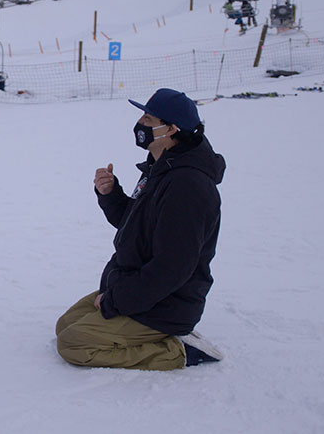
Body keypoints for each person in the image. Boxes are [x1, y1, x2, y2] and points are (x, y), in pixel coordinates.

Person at [55, 88, 226, 371]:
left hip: (164, 305)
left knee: (74, 343)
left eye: (148, 119)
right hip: (134, 284)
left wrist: (115, 301)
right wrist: (111, 195)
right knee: (65, 325)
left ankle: (178, 350)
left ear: (170, 129)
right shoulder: (161, 166)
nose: (140, 124)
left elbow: (172, 268)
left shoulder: (187, 187)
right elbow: (136, 227)